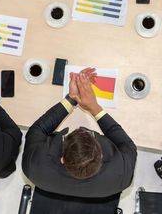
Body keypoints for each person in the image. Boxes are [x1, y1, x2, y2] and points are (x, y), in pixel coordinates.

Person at [22, 67, 137, 202]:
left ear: (62, 159)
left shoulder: (33, 165)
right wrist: (94, 107)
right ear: (100, 155)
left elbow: (38, 129)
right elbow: (126, 144)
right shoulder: (122, 174)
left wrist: (71, 99)